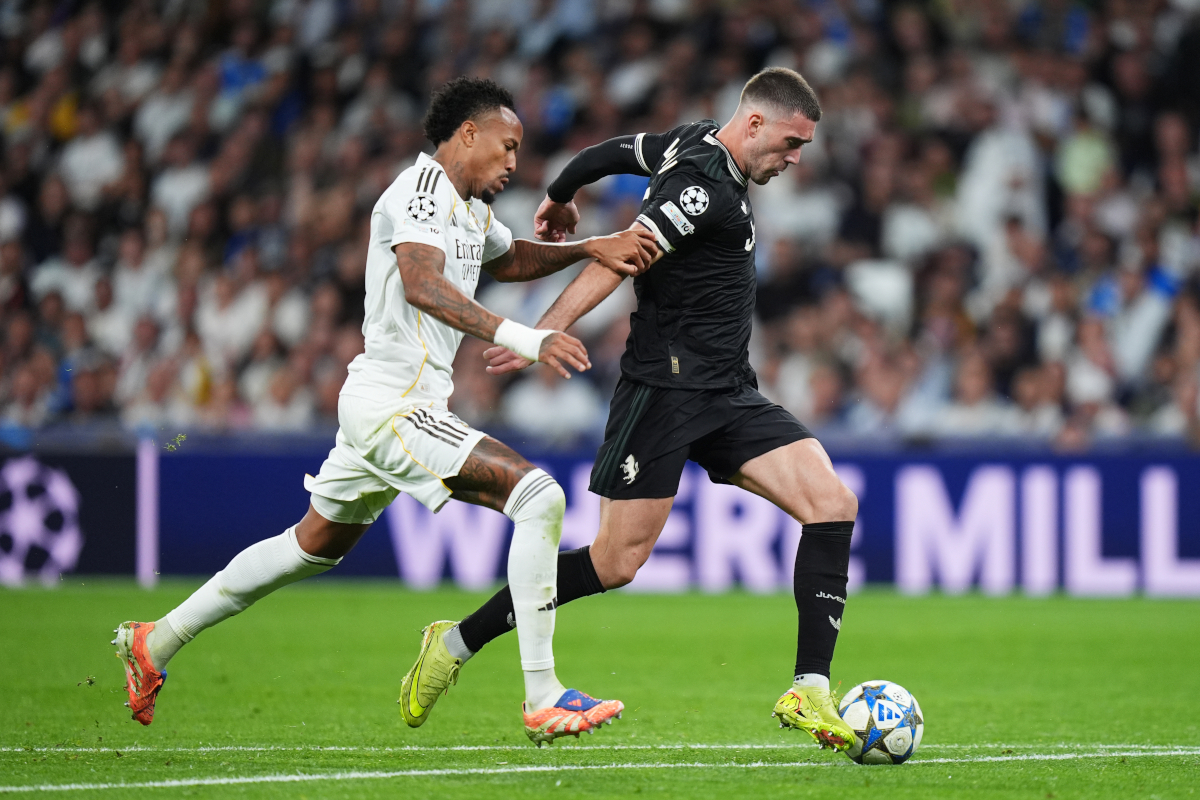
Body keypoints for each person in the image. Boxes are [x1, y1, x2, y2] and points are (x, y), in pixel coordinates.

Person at [112, 77, 658, 746]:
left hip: (389, 404)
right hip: (394, 404)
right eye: (508, 146)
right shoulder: (419, 193)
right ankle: (542, 694)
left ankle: (154, 641)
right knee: (539, 498)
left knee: (308, 547)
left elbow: (509, 257)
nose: (515, 163)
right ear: (467, 135)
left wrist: (588, 246)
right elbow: (423, 284)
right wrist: (525, 338)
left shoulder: (466, 211)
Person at [401, 67, 862, 752]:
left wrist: (561, 193)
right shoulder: (700, 189)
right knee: (615, 563)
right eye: (791, 143)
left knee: (832, 502)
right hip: (664, 393)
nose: (795, 159)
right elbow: (622, 258)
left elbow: (611, 153)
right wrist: (539, 331)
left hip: (729, 390)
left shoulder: (691, 143)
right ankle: (458, 640)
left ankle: (810, 689)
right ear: (756, 123)